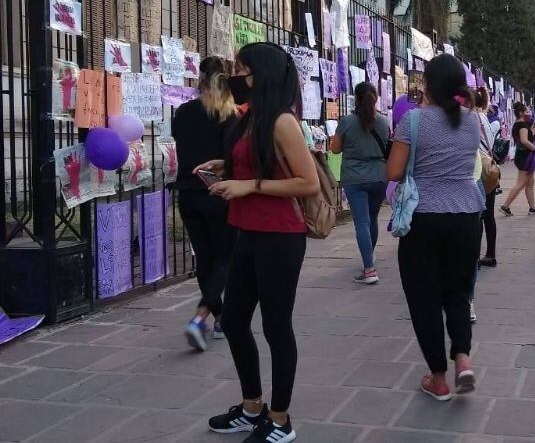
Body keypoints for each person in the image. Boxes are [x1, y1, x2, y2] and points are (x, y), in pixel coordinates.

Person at [201, 43, 320, 442]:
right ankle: (252, 406)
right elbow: (257, 161)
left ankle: (280, 418)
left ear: (262, 74)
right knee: (233, 319)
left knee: (275, 326)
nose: (237, 77)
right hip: (248, 232)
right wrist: (225, 166)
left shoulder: (282, 121)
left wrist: (247, 184)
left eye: (243, 69)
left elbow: (308, 182)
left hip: (279, 237)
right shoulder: (251, 118)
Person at [386, 53, 484, 401]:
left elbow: (394, 173)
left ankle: (438, 379)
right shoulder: (472, 121)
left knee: (424, 298)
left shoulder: (412, 121)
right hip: (467, 215)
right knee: (457, 292)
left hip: (423, 218)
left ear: (427, 84)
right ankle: (463, 359)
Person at [173, 56, 238, 352]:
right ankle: (200, 317)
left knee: (205, 259)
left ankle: (221, 318)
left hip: (187, 195)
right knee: (225, 258)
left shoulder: (183, 113)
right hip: (218, 195)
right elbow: (234, 161)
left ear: (199, 80)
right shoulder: (230, 116)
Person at [329, 82, 390, 284]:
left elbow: (336, 150)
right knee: (372, 219)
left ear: (356, 98)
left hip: (355, 178)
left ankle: (369, 269)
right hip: (380, 176)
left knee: (362, 222)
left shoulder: (346, 122)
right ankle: (369, 258)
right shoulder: (383, 122)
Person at [499, 102, 535, 216]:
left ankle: (532, 207)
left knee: (529, 183)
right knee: (521, 183)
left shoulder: (517, 124)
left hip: (523, 156)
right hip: (525, 158)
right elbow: (524, 141)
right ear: (521, 113)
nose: (529, 114)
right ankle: (505, 206)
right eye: (527, 112)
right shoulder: (522, 125)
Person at [475, 87, 500, 268]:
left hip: (478, 170)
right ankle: (490, 253)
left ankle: (474, 256)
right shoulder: (485, 119)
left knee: (476, 217)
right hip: (490, 169)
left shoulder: (471, 119)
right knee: (489, 215)